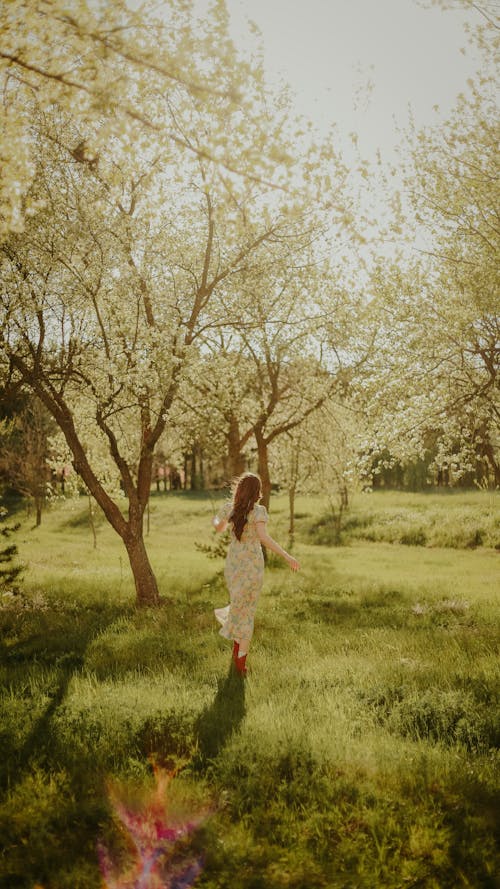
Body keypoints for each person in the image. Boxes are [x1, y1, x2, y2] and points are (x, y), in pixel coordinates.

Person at [212, 472, 300, 675]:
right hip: (251, 566)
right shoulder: (258, 511)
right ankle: (241, 667)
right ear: (257, 491)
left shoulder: (229, 509)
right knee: (247, 613)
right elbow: (263, 538)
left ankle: (237, 659)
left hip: (233, 565)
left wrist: (216, 518)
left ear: (240, 490)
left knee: (240, 609)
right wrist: (287, 556)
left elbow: (218, 527)